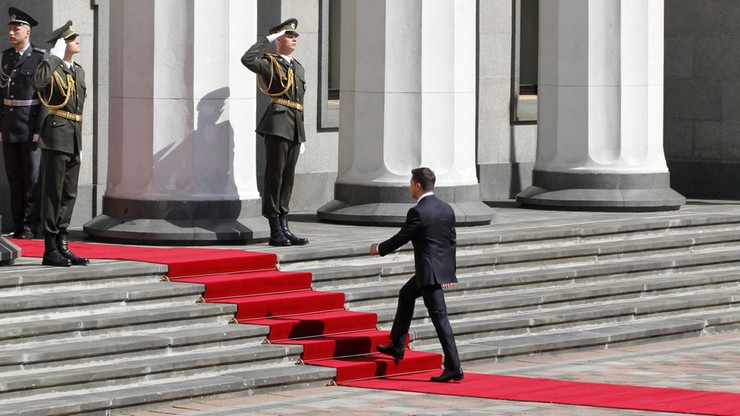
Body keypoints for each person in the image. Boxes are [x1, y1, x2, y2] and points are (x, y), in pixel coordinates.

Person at [370, 167, 464, 383]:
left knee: (440, 319)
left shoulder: (418, 212)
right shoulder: (446, 208)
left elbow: (402, 237)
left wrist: (379, 248)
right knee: (406, 294)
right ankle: (397, 345)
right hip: (435, 271)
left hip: (428, 274)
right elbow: (451, 242)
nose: (410, 186)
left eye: (411, 182)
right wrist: (448, 273)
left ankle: (454, 367)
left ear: (418, 185)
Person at [241, 18, 309, 247]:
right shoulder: (269, 63)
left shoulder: (298, 66)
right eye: (289, 36)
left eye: (295, 36)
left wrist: (303, 133)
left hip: (294, 128)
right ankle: (274, 230)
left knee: (288, 179)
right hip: (278, 126)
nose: (294, 39)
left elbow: (300, 103)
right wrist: (267, 39)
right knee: (275, 177)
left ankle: (285, 227)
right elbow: (247, 59)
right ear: (279, 39)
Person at [31, 20, 88, 267]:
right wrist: (54, 58)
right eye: (72, 38)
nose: (77, 40)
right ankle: (49, 247)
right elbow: (38, 84)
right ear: (62, 43)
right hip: (56, 136)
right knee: (52, 193)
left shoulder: (79, 70)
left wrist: (80, 142)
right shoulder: (50, 66)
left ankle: (62, 243)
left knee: (69, 193)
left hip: (74, 135)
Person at [0, 7, 47, 239]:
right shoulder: (6, 58)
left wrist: (39, 130)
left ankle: (30, 227)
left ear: (27, 32)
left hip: (29, 128)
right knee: (15, 179)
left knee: (32, 180)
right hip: (9, 127)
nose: (11, 32)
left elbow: (44, 99)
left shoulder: (40, 58)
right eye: (10, 28)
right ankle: (18, 225)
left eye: (16, 29)